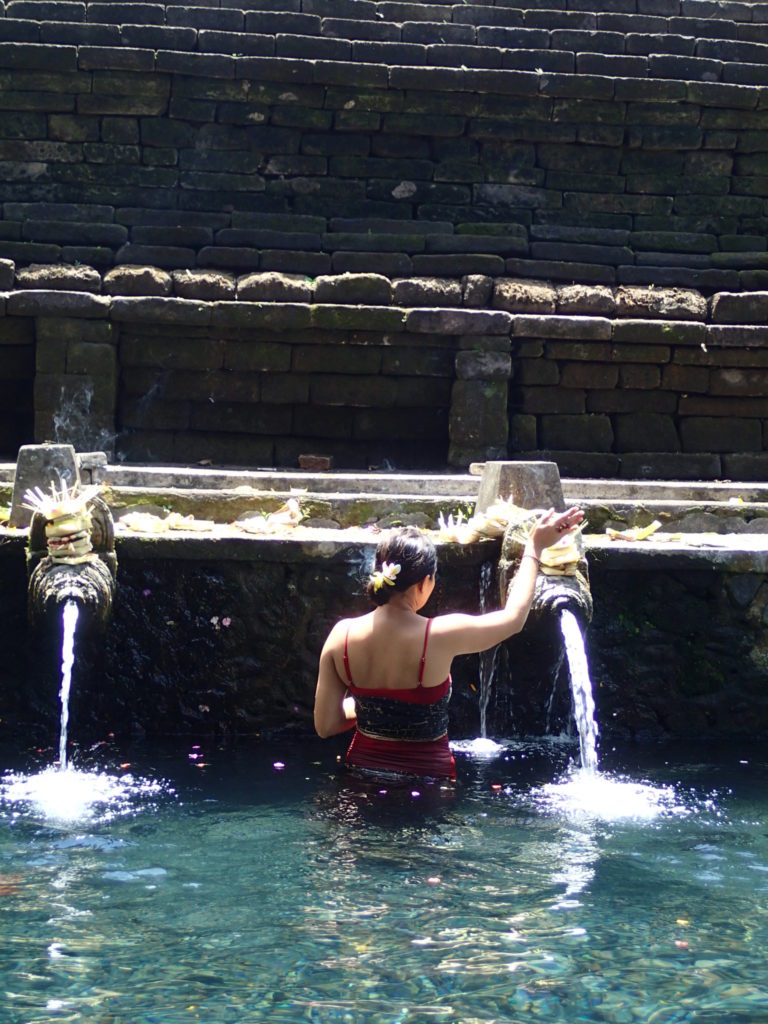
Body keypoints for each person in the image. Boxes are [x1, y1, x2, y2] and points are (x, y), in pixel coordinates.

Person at [314, 507, 584, 781]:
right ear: (424, 583)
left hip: (361, 779)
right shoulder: (439, 635)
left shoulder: (341, 636)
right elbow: (513, 619)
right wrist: (534, 548)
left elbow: (325, 725)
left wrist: (371, 705)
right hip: (427, 787)